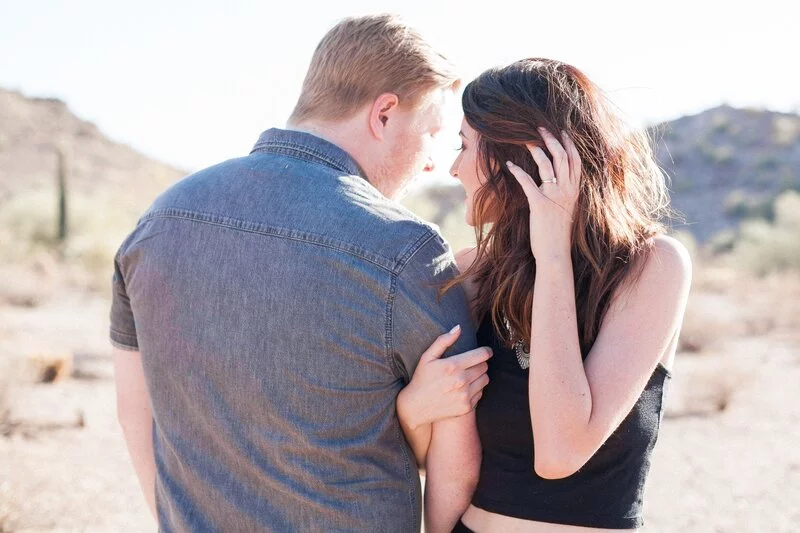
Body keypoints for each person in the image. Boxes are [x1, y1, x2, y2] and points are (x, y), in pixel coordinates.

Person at [110, 14, 491, 533]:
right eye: (430, 134)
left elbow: (136, 411)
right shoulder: (406, 250)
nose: (431, 164)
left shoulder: (157, 223)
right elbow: (456, 466)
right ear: (383, 114)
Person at [396, 58, 692, 532]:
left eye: (465, 145)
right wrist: (414, 407)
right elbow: (441, 458)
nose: (453, 168)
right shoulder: (471, 273)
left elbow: (561, 450)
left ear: (523, 153)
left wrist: (551, 255)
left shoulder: (651, 268)